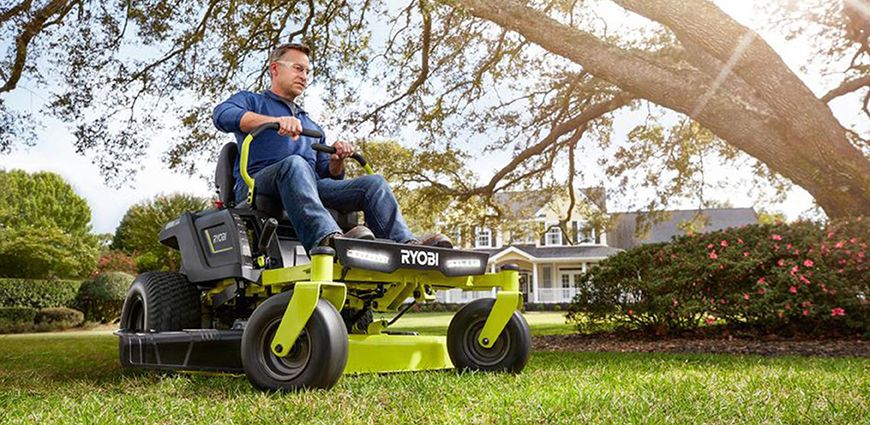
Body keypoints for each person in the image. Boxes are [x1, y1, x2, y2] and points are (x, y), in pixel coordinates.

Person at [213, 43, 451, 252]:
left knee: (373, 183)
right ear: (275, 69)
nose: (304, 76)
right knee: (295, 165)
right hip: (259, 184)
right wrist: (272, 122)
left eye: (307, 71)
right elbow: (222, 115)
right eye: (298, 68)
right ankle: (327, 239)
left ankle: (405, 245)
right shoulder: (252, 101)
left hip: (309, 184)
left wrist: (338, 159)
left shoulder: (311, 124)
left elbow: (328, 174)